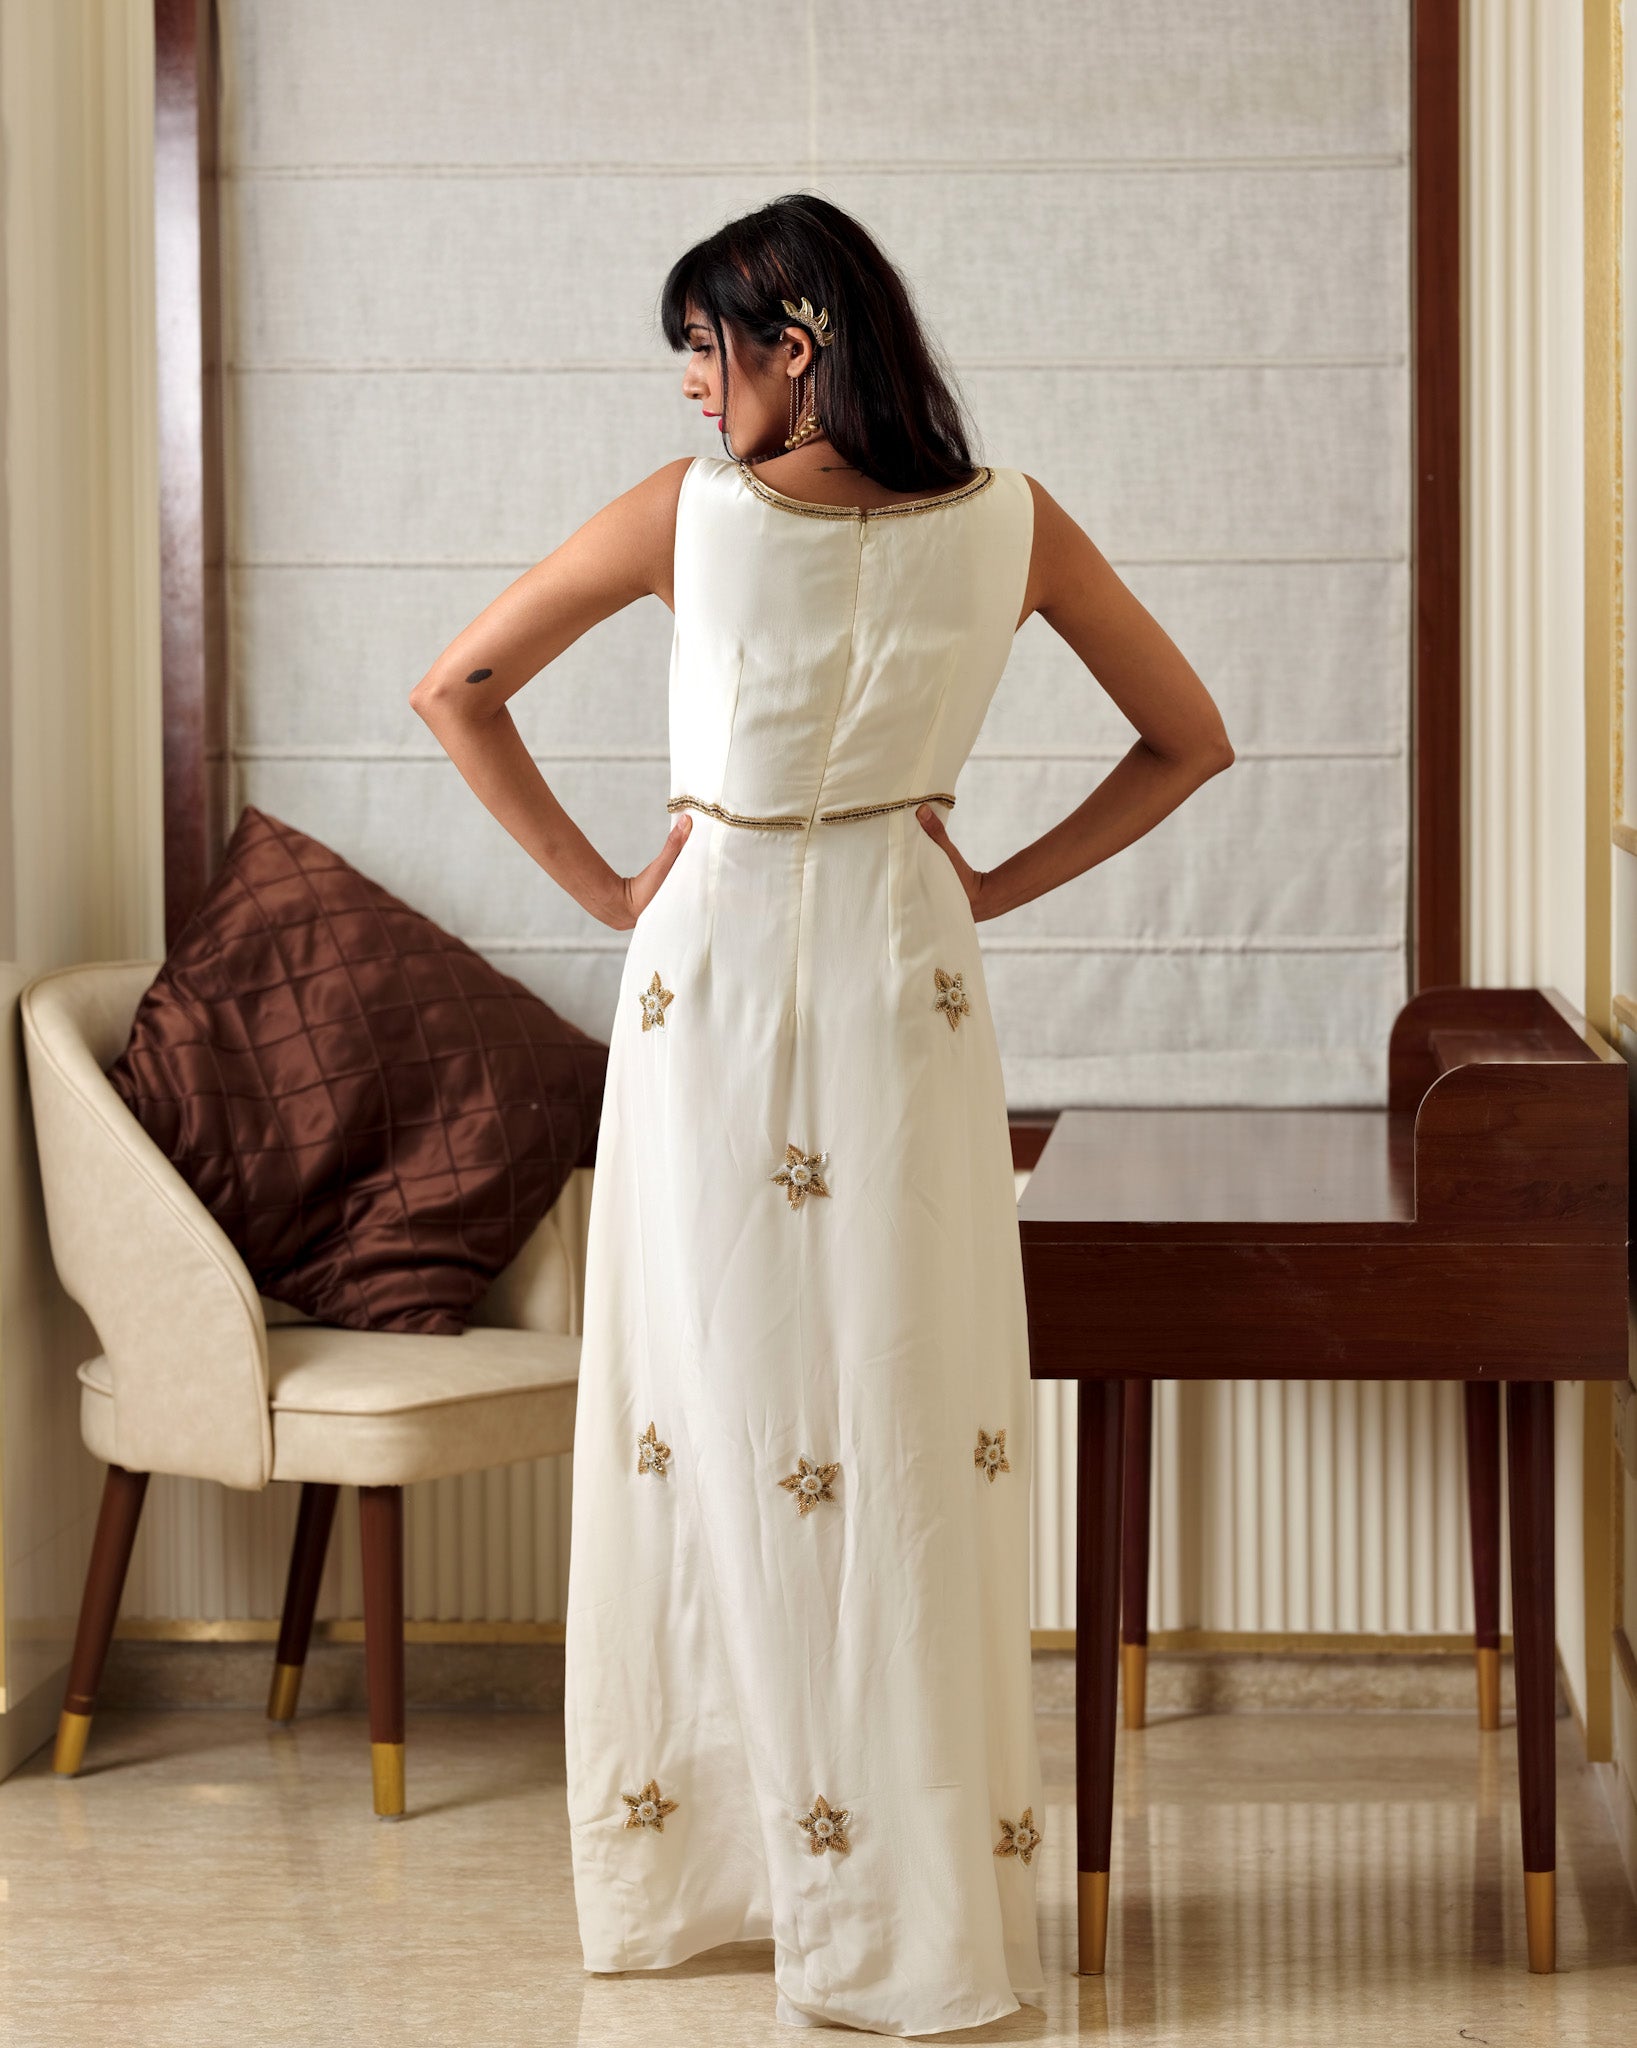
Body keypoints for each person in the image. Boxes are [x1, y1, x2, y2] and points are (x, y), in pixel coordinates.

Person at [411, 192, 1232, 2038]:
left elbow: (454, 687)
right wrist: (989, 886)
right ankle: (902, 1895)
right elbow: (1190, 738)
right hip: (898, 965)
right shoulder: (1018, 522)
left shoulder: (684, 516)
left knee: (702, 1396)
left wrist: (605, 890)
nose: (692, 390)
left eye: (707, 350)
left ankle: (710, 1871)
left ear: (795, 345)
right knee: (905, 1398)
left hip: (705, 971)